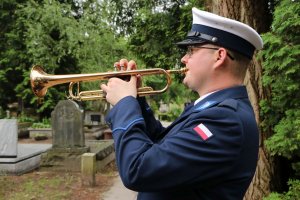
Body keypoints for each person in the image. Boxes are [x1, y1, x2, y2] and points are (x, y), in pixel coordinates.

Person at [100, 7, 263, 200]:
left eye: (191, 50)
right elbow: (161, 146)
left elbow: (138, 170)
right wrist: (135, 99)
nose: (183, 59)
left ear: (219, 56)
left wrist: (124, 104)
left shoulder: (227, 121)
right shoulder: (212, 109)